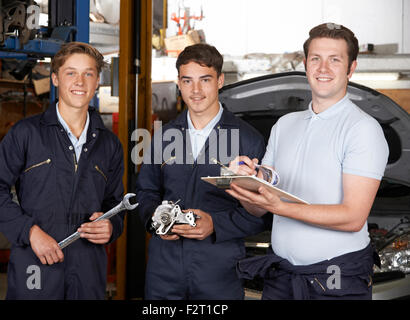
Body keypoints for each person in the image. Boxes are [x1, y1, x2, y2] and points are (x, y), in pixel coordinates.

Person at [226, 23, 389, 300]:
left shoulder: (362, 129)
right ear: (305, 64)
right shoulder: (284, 125)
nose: (323, 68)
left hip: (337, 279)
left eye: (334, 59)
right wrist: (245, 181)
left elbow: (352, 217)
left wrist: (280, 207)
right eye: (316, 59)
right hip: (282, 276)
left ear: (351, 68)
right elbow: (260, 203)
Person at [0, 42, 125, 299]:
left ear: (97, 81)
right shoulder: (26, 133)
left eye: (88, 73)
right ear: (56, 78)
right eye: (71, 73)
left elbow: (115, 203)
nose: (80, 81)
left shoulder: (110, 144)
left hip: (88, 266)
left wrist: (111, 225)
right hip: (35, 260)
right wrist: (30, 232)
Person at [136, 43, 267, 299]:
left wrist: (215, 224)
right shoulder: (164, 137)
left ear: (220, 80)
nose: (195, 91)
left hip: (220, 268)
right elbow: (145, 191)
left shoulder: (247, 140)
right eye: (187, 81)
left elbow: (264, 212)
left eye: (204, 80)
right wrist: (156, 219)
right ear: (179, 83)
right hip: (164, 267)